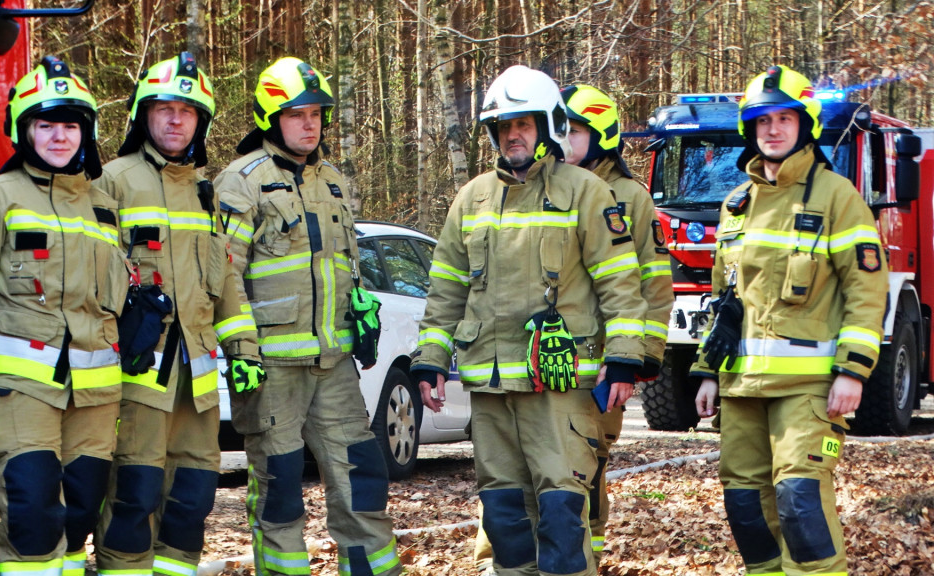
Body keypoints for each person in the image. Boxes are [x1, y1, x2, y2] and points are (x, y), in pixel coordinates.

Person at [411, 65, 646, 576]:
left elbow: (620, 283)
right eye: (503, 126)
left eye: (523, 124)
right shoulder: (471, 199)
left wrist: (625, 358)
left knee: (561, 514)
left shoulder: (586, 191)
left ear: (548, 126)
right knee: (505, 517)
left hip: (559, 385)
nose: (512, 135)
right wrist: (430, 359)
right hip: (491, 388)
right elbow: (446, 289)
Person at [691, 65, 888, 576]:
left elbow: (866, 290)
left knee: (800, 502)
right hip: (741, 385)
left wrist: (853, 370)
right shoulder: (736, 204)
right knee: (745, 506)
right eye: (762, 120)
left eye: (784, 118)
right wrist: (708, 370)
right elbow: (723, 299)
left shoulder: (837, 196)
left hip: (808, 386)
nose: (772, 129)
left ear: (806, 124)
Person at [0, 56, 129, 576]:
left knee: (80, 514)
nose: (59, 136)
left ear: (86, 132)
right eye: (46, 125)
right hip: (18, 392)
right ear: (24, 131)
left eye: (70, 125)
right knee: (32, 512)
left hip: (95, 396)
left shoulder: (104, 208)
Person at [213, 56, 401, 576]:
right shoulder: (240, 182)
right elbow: (225, 275)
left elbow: (344, 265)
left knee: (362, 481)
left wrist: (361, 311)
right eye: (297, 114)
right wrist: (241, 351)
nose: (309, 124)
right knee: (279, 493)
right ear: (271, 118)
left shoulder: (332, 180)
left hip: (335, 365)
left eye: (316, 113)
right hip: (272, 370)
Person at [94, 52, 262, 576]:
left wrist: (245, 350)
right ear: (143, 115)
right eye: (164, 109)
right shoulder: (112, 181)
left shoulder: (205, 193)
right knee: (134, 493)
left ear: (200, 122)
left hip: (198, 381)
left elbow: (225, 280)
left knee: (192, 498)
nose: (175, 120)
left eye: (187, 112)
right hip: (140, 373)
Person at [562, 84, 674, 569]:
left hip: (605, 360)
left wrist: (639, 358)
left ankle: (588, 559)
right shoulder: (547, 187)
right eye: (559, 130)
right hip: (550, 357)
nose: (563, 139)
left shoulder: (629, 197)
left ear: (602, 135)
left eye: (575, 131)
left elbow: (655, 284)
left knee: (589, 465)